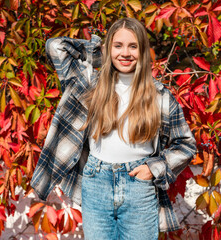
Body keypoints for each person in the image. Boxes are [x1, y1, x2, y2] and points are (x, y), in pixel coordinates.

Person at [31, 18, 196, 239]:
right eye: (118, 45)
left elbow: (185, 144)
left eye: (133, 46)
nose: (125, 53)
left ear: (143, 51)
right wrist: (102, 53)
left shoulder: (159, 96)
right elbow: (55, 46)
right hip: (96, 182)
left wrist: (154, 169)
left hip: (139, 185)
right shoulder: (90, 84)